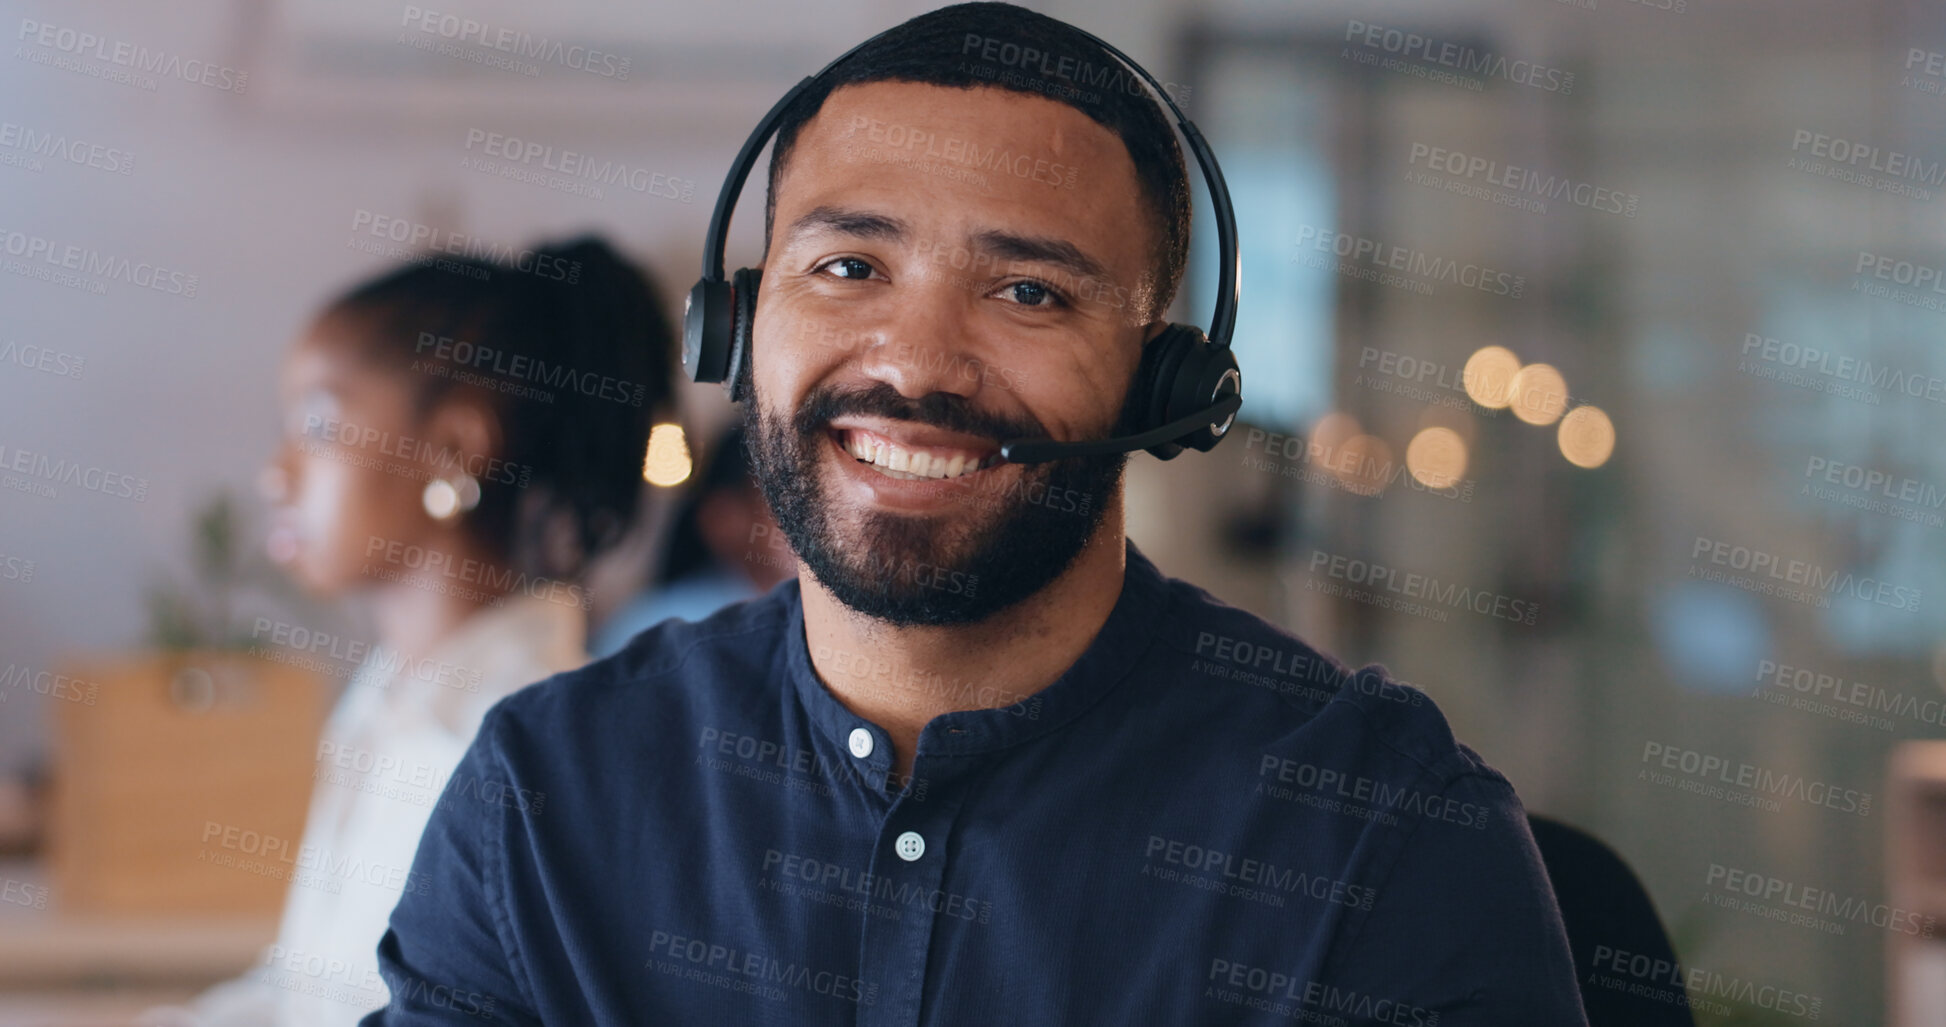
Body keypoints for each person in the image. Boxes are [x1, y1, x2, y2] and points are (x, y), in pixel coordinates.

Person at [365, 6, 1589, 1024]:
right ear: (737, 328)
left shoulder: (1379, 833)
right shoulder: (544, 795)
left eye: (1028, 291)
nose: (916, 362)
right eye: (849, 267)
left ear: (1167, 385)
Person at [143, 235, 677, 1027]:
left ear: (453, 447)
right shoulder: (391, 695)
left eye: (319, 424)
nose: (275, 473)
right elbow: (305, 992)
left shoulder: (525, 736)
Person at [588, 424, 794, 657]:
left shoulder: (819, 624)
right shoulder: (656, 629)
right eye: (784, 501)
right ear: (721, 517)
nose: (805, 520)